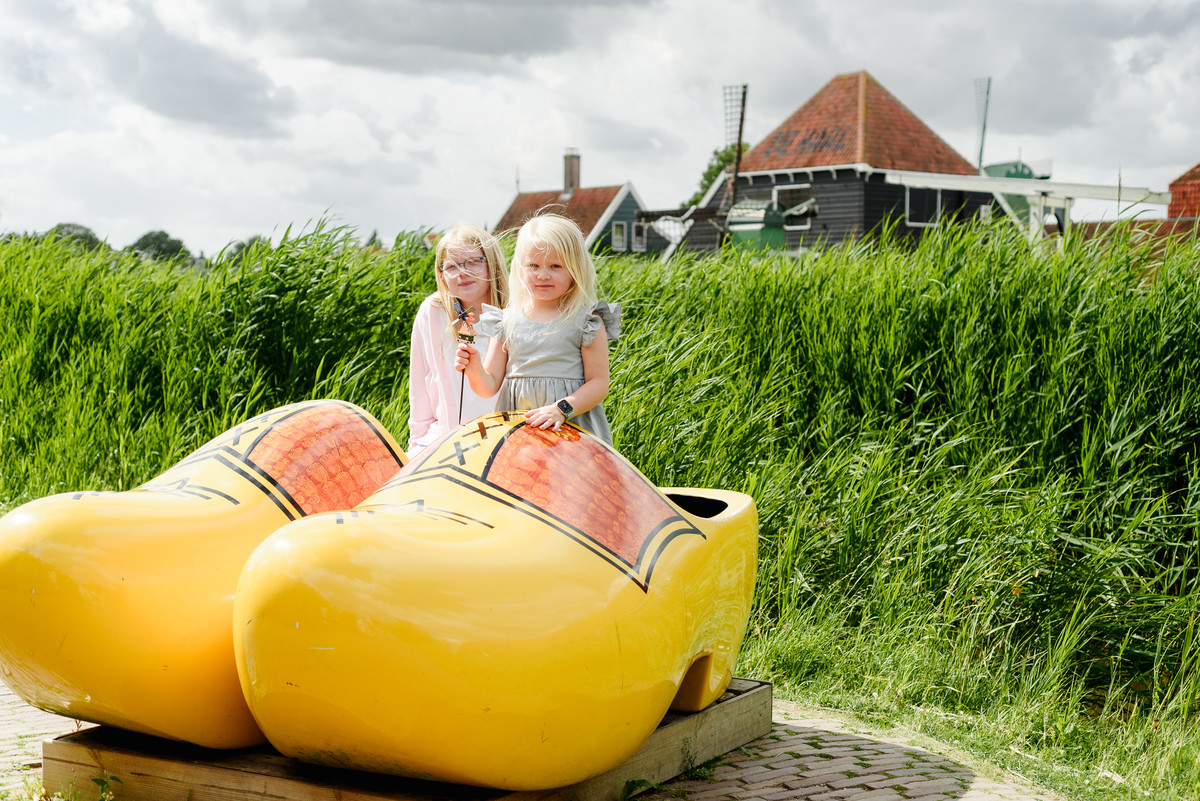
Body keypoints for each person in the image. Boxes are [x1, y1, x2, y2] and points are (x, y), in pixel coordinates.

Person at [455, 213, 620, 445]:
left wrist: (561, 409)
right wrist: (474, 368)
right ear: (520, 268)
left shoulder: (586, 321)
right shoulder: (506, 321)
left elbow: (599, 382)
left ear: (575, 269)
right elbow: (489, 385)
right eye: (533, 265)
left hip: (574, 431)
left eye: (555, 266)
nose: (543, 275)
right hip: (522, 433)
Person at [407, 223, 510, 456]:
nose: (462, 272)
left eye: (473, 262)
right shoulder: (432, 312)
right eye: (451, 266)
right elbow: (420, 389)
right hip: (443, 441)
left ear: (491, 264)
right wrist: (417, 447)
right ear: (441, 275)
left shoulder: (512, 313)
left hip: (501, 444)